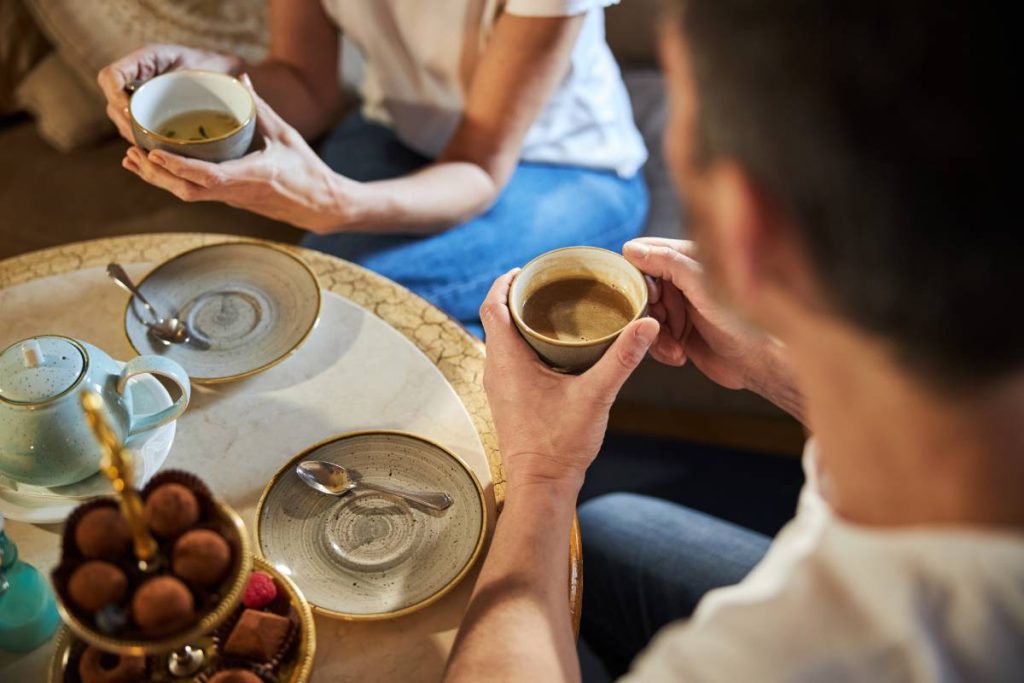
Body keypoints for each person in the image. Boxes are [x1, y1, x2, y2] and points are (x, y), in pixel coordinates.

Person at [444, 0, 1024, 680]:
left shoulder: (777, 660)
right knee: (605, 534)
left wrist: (542, 474)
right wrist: (780, 366)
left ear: (746, 229)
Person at [97, 0, 648, 336]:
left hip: (563, 167)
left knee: (346, 299)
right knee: (321, 298)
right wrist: (211, 82)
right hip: (395, 134)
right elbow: (305, 86)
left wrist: (339, 205)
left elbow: (477, 166)